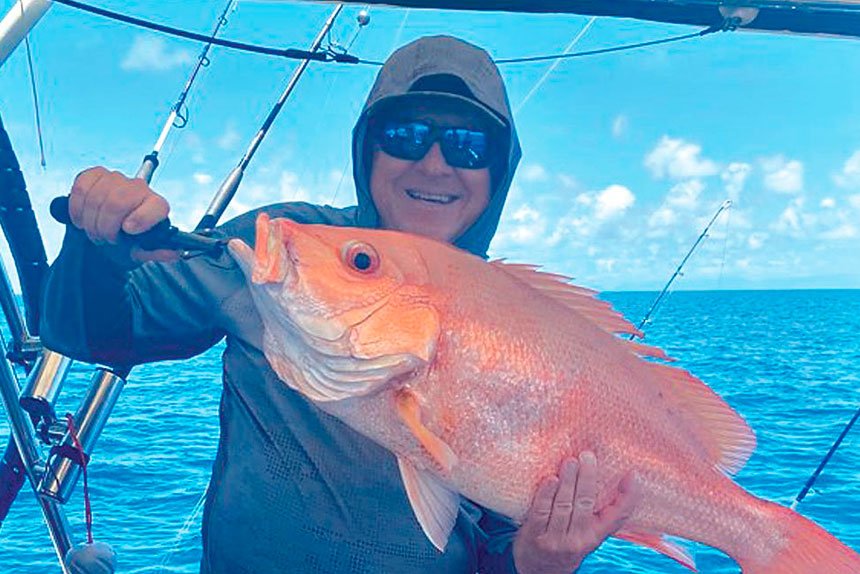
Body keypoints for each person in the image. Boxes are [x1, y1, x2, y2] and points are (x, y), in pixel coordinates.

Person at [41, 35, 640, 573]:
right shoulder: (294, 248)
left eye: (467, 145)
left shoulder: (524, 327)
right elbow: (89, 333)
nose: (434, 163)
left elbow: (495, 550)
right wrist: (97, 247)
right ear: (366, 152)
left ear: (497, 172)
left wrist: (536, 563)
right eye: (404, 136)